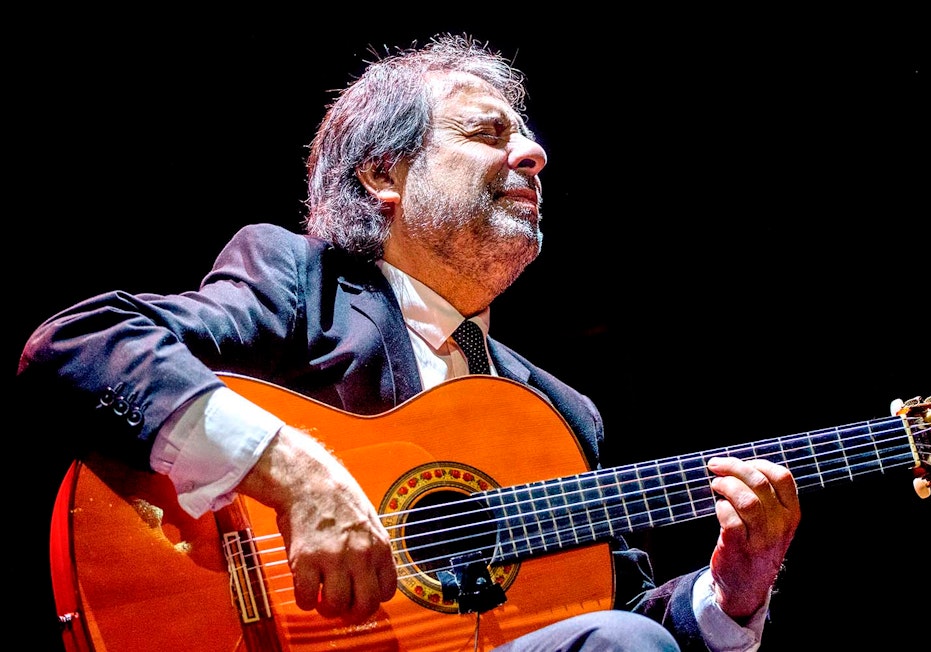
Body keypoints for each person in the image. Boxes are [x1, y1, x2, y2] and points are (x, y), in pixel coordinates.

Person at [18, 33, 800, 651]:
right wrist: (294, 473)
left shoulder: (560, 413)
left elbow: (608, 619)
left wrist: (731, 594)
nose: (533, 153)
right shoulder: (300, 282)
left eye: (527, 139)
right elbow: (81, 343)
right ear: (382, 175)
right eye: (487, 132)